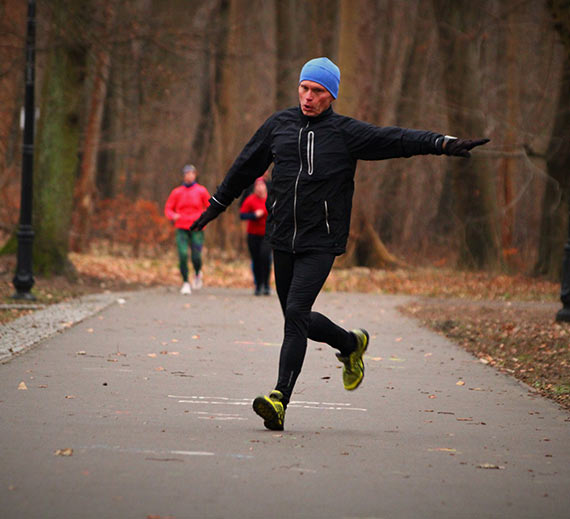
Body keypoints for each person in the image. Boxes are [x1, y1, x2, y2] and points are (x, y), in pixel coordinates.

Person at [191, 57, 489, 430]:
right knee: (295, 318)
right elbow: (244, 167)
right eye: (304, 88)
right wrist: (214, 207)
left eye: (317, 91)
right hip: (282, 236)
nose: (309, 97)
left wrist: (442, 143)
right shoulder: (279, 126)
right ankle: (349, 345)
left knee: (297, 311)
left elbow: (395, 139)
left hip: (321, 241)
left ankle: (279, 398)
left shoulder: (346, 133)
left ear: (331, 95)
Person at [164, 164, 210, 295]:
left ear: (195, 175)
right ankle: (185, 282)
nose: (189, 176)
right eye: (187, 173)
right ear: (183, 176)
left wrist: (203, 219)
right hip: (181, 227)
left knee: (196, 256)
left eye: (191, 173)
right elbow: (168, 208)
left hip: (196, 228)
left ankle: (197, 273)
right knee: (183, 254)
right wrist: (173, 216)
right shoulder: (177, 192)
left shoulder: (201, 191)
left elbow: (209, 207)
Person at [240, 177, 272, 295]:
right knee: (256, 259)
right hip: (253, 234)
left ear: (265, 187)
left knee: (265, 257)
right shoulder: (250, 200)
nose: (259, 188)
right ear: (254, 188)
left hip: (267, 234)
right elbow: (242, 215)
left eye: (261, 185)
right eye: (257, 186)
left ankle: (267, 284)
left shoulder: (271, 199)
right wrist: (254, 215)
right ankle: (258, 285)